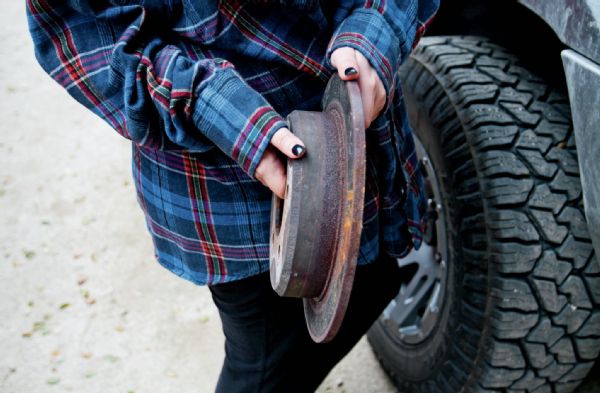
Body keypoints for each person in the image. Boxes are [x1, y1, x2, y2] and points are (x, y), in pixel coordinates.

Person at [26, 0, 439, 391]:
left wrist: (372, 34)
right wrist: (219, 109)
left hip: (356, 130)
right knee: (263, 361)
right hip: (224, 189)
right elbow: (83, 34)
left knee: (375, 281)